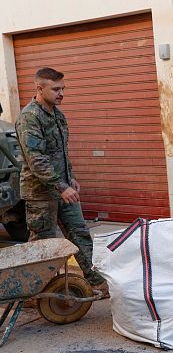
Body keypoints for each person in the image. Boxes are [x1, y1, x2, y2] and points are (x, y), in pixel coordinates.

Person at [16, 67, 107, 294]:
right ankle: (36, 292)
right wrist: (61, 185)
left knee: (80, 234)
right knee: (43, 245)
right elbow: (37, 160)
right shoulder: (29, 118)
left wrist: (71, 178)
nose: (61, 93)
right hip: (40, 194)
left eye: (63, 88)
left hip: (63, 188)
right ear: (39, 88)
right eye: (56, 89)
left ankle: (98, 283)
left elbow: (61, 152)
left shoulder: (57, 115)